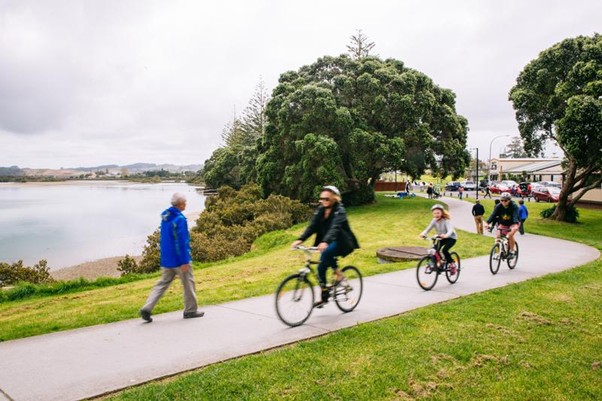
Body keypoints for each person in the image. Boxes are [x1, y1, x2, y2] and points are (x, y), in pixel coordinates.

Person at [139, 193, 204, 322]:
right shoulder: (180, 219)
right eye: (184, 202)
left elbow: (165, 238)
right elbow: (182, 241)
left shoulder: (165, 217)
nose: (186, 204)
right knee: (188, 283)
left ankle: (147, 307)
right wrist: (184, 261)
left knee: (162, 284)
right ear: (180, 204)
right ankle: (190, 310)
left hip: (167, 258)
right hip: (179, 260)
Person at [292, 186, 360, 308]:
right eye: (322, 199)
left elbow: (335, 228)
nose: (323, 201)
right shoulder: (320, 210)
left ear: (334, 198)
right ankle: (324, 296)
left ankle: (339, 274)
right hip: (328, 243)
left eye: (327, 199)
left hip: (342, 242)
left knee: (326, 252)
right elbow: (312, 226)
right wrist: (300, 239)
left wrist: (325, 241)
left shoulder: (340, 210)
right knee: (320, 268)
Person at [419, 204, 458, 275]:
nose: (436, 215)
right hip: (441, 237)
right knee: (435, 250)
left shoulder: (446, 220)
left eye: (438, 213)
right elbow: (428, 229)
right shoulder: (434, 220)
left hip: (451, 238)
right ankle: (439, 264)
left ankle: (452, 264)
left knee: (444, 250)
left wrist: (446, 235)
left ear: (441, 213)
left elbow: (450, 230)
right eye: (434, 213)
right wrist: (423, 234)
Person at [485, 193, 520, 259]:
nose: (503, 202)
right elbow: (493, 215)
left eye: (505, 200)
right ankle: (499, 252)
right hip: (503, 223)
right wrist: (487, 223)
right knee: (498, 237)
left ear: (509, 200)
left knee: (509, 235)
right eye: (502, 200)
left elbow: (515, 216)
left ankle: (512, 251)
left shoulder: (514, 206)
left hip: (513, 224)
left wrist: (515, 225)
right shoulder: (498, 206)